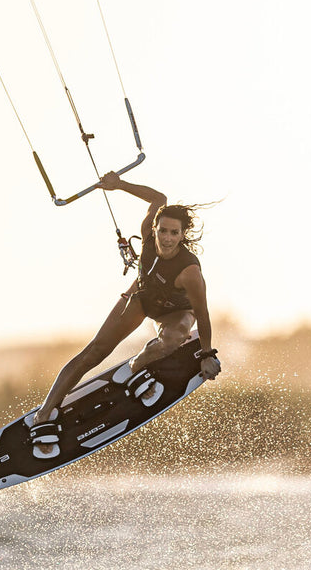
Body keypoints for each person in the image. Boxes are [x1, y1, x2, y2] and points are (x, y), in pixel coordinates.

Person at [29, 171, 221, 450]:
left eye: (174, 233)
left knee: (173, 337)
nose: (167, 238)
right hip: (141, 298)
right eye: (163, 231)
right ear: (155, 228)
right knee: (94, 351)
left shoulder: (189, 271)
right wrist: (118, 184)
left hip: (176, 312)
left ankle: (138, 364)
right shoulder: (147, 233)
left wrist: (206, 355)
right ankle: (43, 413)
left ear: (182, 235)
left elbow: (202, 315)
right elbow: (158, 198)